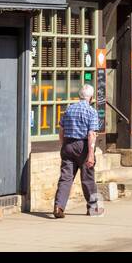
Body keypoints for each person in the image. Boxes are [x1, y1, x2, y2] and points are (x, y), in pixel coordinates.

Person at [53, 84, 103, 218]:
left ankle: (59, 206)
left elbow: (61, 130)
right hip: (83, 146)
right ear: (91, 97)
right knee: (88, 179)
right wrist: (91, 155)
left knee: (65, 178)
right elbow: (91, 135)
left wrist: (63, 146)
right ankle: (93, 208)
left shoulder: (69, 109)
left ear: (79, 96)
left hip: (68, 144)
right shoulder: (91, 111)